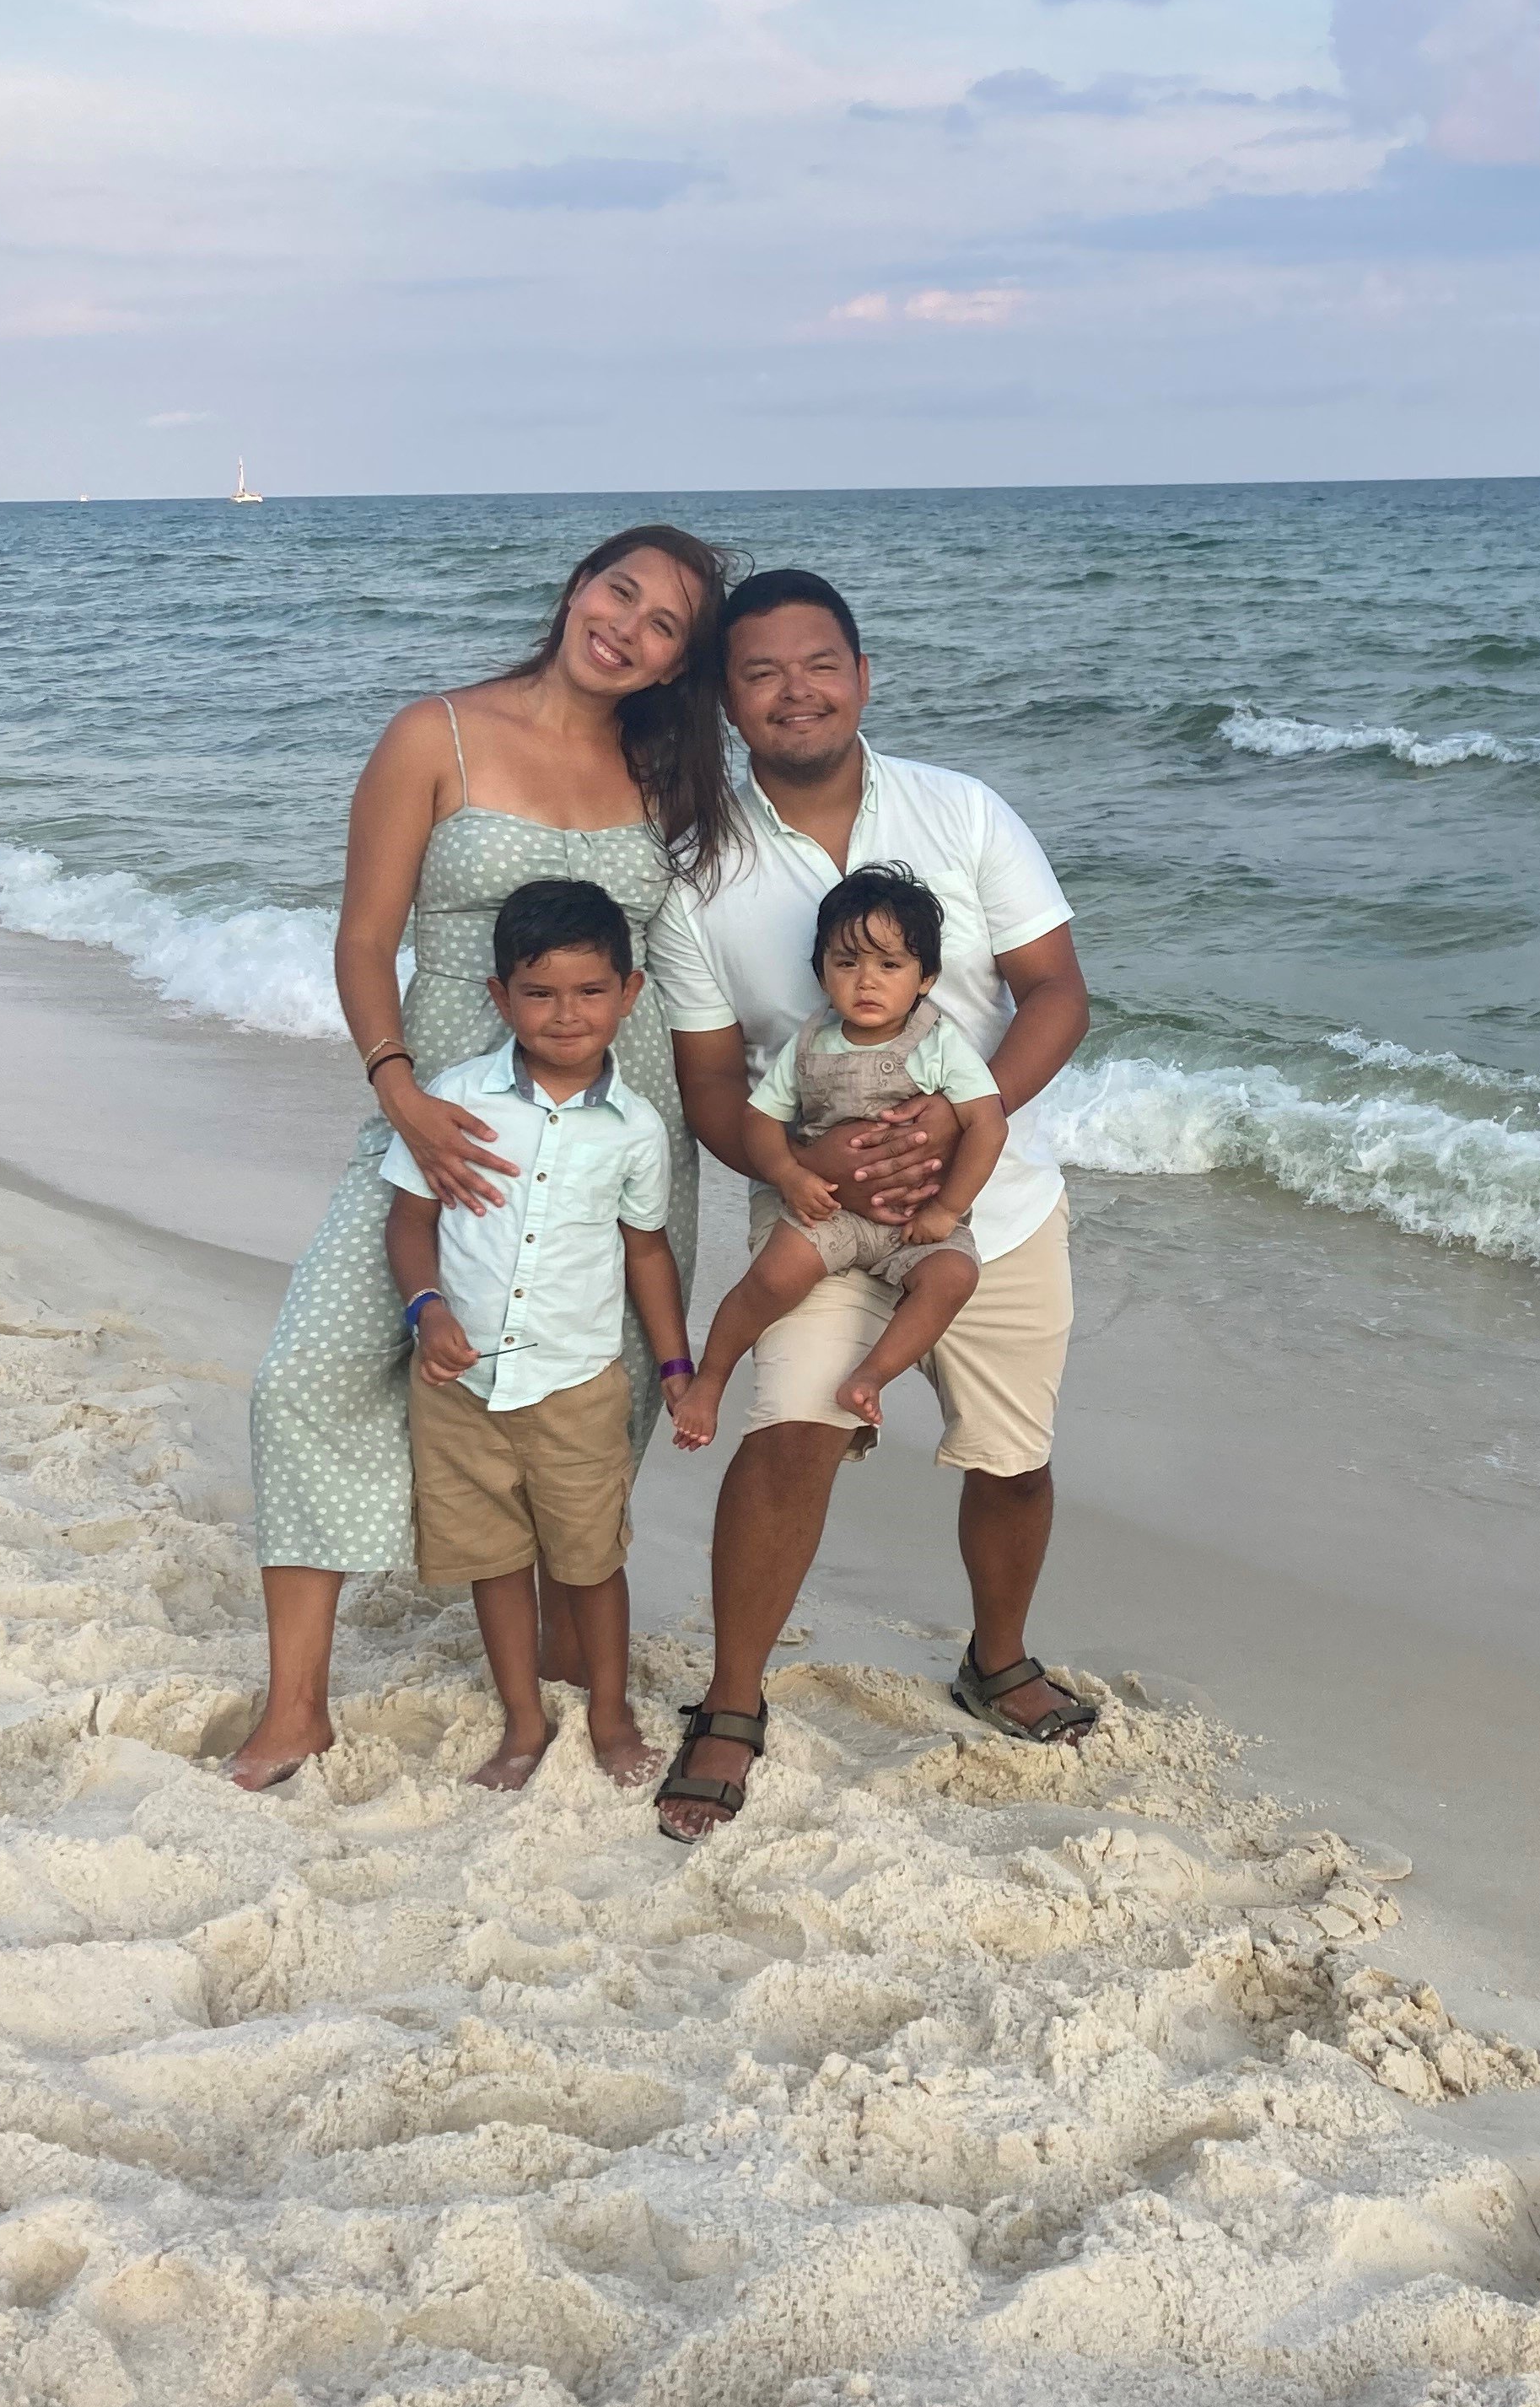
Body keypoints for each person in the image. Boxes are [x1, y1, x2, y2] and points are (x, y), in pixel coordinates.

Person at [228, 523, 737, 1792]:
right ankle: (298, 1705)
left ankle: (567, 1669)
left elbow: (695, 967)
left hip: (621, 1133)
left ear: (679, 664)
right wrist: (397, 1088)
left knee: (583, 1401)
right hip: (439, 1128)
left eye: (664, 623)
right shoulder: (434, 736)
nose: (625, 623)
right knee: (310, 1376)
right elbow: (363, 940)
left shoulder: (663, 778)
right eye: (618, 590)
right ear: (578, 587)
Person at [648, 568, 1093, 1842]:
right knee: (785, 1436)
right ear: (727, 700)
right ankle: (733, 1703)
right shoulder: (700, 874)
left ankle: (995, 1658)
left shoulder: (964, 813)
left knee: (1012, 1461)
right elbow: (714, 1084)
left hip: (988, 1203)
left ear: (862, 672)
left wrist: (961, 1114)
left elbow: (1056, 989)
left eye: (820, 662)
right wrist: (802, 1170)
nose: (797, 690)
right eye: (763, 671)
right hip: (817, 1211)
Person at [385, 878, 693, 1790]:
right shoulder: (455, 1099)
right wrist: (426, 1312)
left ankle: (609, 1713)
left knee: (591, 1562)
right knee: (494, 1563)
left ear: (629, 995)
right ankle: (522, 1723)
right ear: (499, 997)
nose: (567, 1015)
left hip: (575, 1385)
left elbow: (647, 1254)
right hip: (461, 1388)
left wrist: (676, 1366)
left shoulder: (636, 1131)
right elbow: (409, 1224)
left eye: (591, 991)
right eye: (540, 993)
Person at [671, 861, 1007, 1451]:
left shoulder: (938, 1043)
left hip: (916, 1218)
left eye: (890, 965)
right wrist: (788, 1175)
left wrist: (949, 1209)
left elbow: (987, 1124)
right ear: (822, 972)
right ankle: (712, 1379)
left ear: (926, 977)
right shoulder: (810, 1043)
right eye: (847, 963)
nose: (866, 981)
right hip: (833, 1213)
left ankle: (870, 1378)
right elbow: (760, 1118)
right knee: (772, 1278)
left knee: (953, 1277)